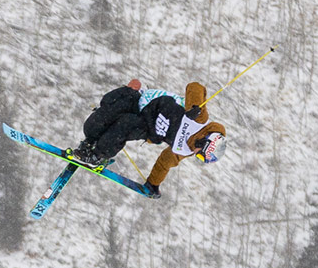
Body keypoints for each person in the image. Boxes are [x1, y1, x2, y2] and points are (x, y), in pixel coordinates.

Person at [71, 79, 227, 198]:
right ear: (205, 142)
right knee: (95, 124)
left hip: (146, 126)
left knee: (125, 125)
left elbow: (164, 163)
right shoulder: (199, 120)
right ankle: (89, 144)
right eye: (200, 154)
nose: (195, 154)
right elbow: (195, 87)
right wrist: (193, 107)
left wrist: (153, 184)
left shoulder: (185, 150)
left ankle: (98, 156)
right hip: (142, 102)